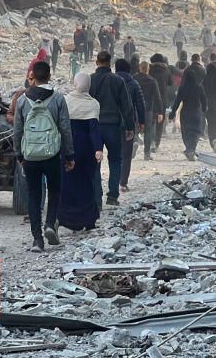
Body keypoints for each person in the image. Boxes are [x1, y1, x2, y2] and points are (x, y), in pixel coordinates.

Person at [13, 61, 75, 251]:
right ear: (49, 76)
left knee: (33, 195)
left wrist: (19, 154)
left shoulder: (23, 100)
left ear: (33, 76)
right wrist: (69, 154)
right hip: (52, 154)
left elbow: (17, 130)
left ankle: (37, 239)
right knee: (55, 190)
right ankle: (50, 224)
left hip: (30, 156)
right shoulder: (57, 99)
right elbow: (65, 128)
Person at [89, 51, 134, 206]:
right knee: (115, 159)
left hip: (94, 126)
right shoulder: (118, 80)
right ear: (110, 63)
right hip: (113, 126)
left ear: (96, 62)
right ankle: (113, 196)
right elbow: (126, 106)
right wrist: (129, 127)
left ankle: (95, 197)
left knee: (95, 161)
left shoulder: (90, 80)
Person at [60, 72, 103, 231]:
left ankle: (67, 219)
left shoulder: (65, 101)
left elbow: (62, 126)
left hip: (68, 146)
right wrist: (98, 149)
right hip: (86, 148)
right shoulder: (93, 104)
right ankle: (88, 220)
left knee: (68, 182)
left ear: (74, 83)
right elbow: (94, 129)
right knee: (87, 182)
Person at [114, 59, 145, 191]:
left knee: (114, 154)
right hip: (129, 122)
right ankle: (123, 182)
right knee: (126, 154)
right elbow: (140, 104)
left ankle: (113, 181)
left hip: (112, 122)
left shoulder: (110, 82)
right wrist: (142, 121)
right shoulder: (134, 83)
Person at [169, 72, 207, 161]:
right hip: (196, 112)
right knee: (195, 132)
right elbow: (204, 100)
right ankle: (191, 149)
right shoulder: (199, 87)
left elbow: (177, 102)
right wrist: (204, 109)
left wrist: (172, 113)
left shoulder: (182, 88)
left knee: (186, 132)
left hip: (185, 113)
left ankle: (189, 149)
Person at [134, 61, 163, 160]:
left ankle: (134, 142)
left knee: (134, 128)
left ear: (139, 68)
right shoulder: (152, 81)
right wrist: (160, 112)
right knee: (148, 131)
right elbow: (158, 97)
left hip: (136, 108)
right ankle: (146, 153)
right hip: (148, 109)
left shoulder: (134, 79)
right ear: (148, 69)